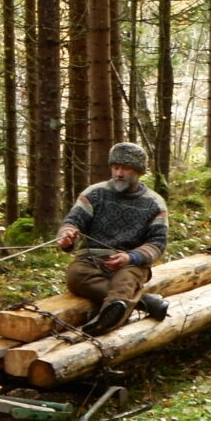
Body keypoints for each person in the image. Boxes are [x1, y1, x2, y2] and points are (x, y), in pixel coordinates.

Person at [53, 142, 171, 334]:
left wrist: (130, 258)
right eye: (115, 167)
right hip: (91, 260)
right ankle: (141, 303)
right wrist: (66, 237)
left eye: (125, 168)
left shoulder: (154, 203)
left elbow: (157, 243)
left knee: (125, 280)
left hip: (130, 263)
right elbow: (73, 221)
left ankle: (106, 322)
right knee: (75, 276)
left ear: (139, 172)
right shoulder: (94, 193)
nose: (119, 173)